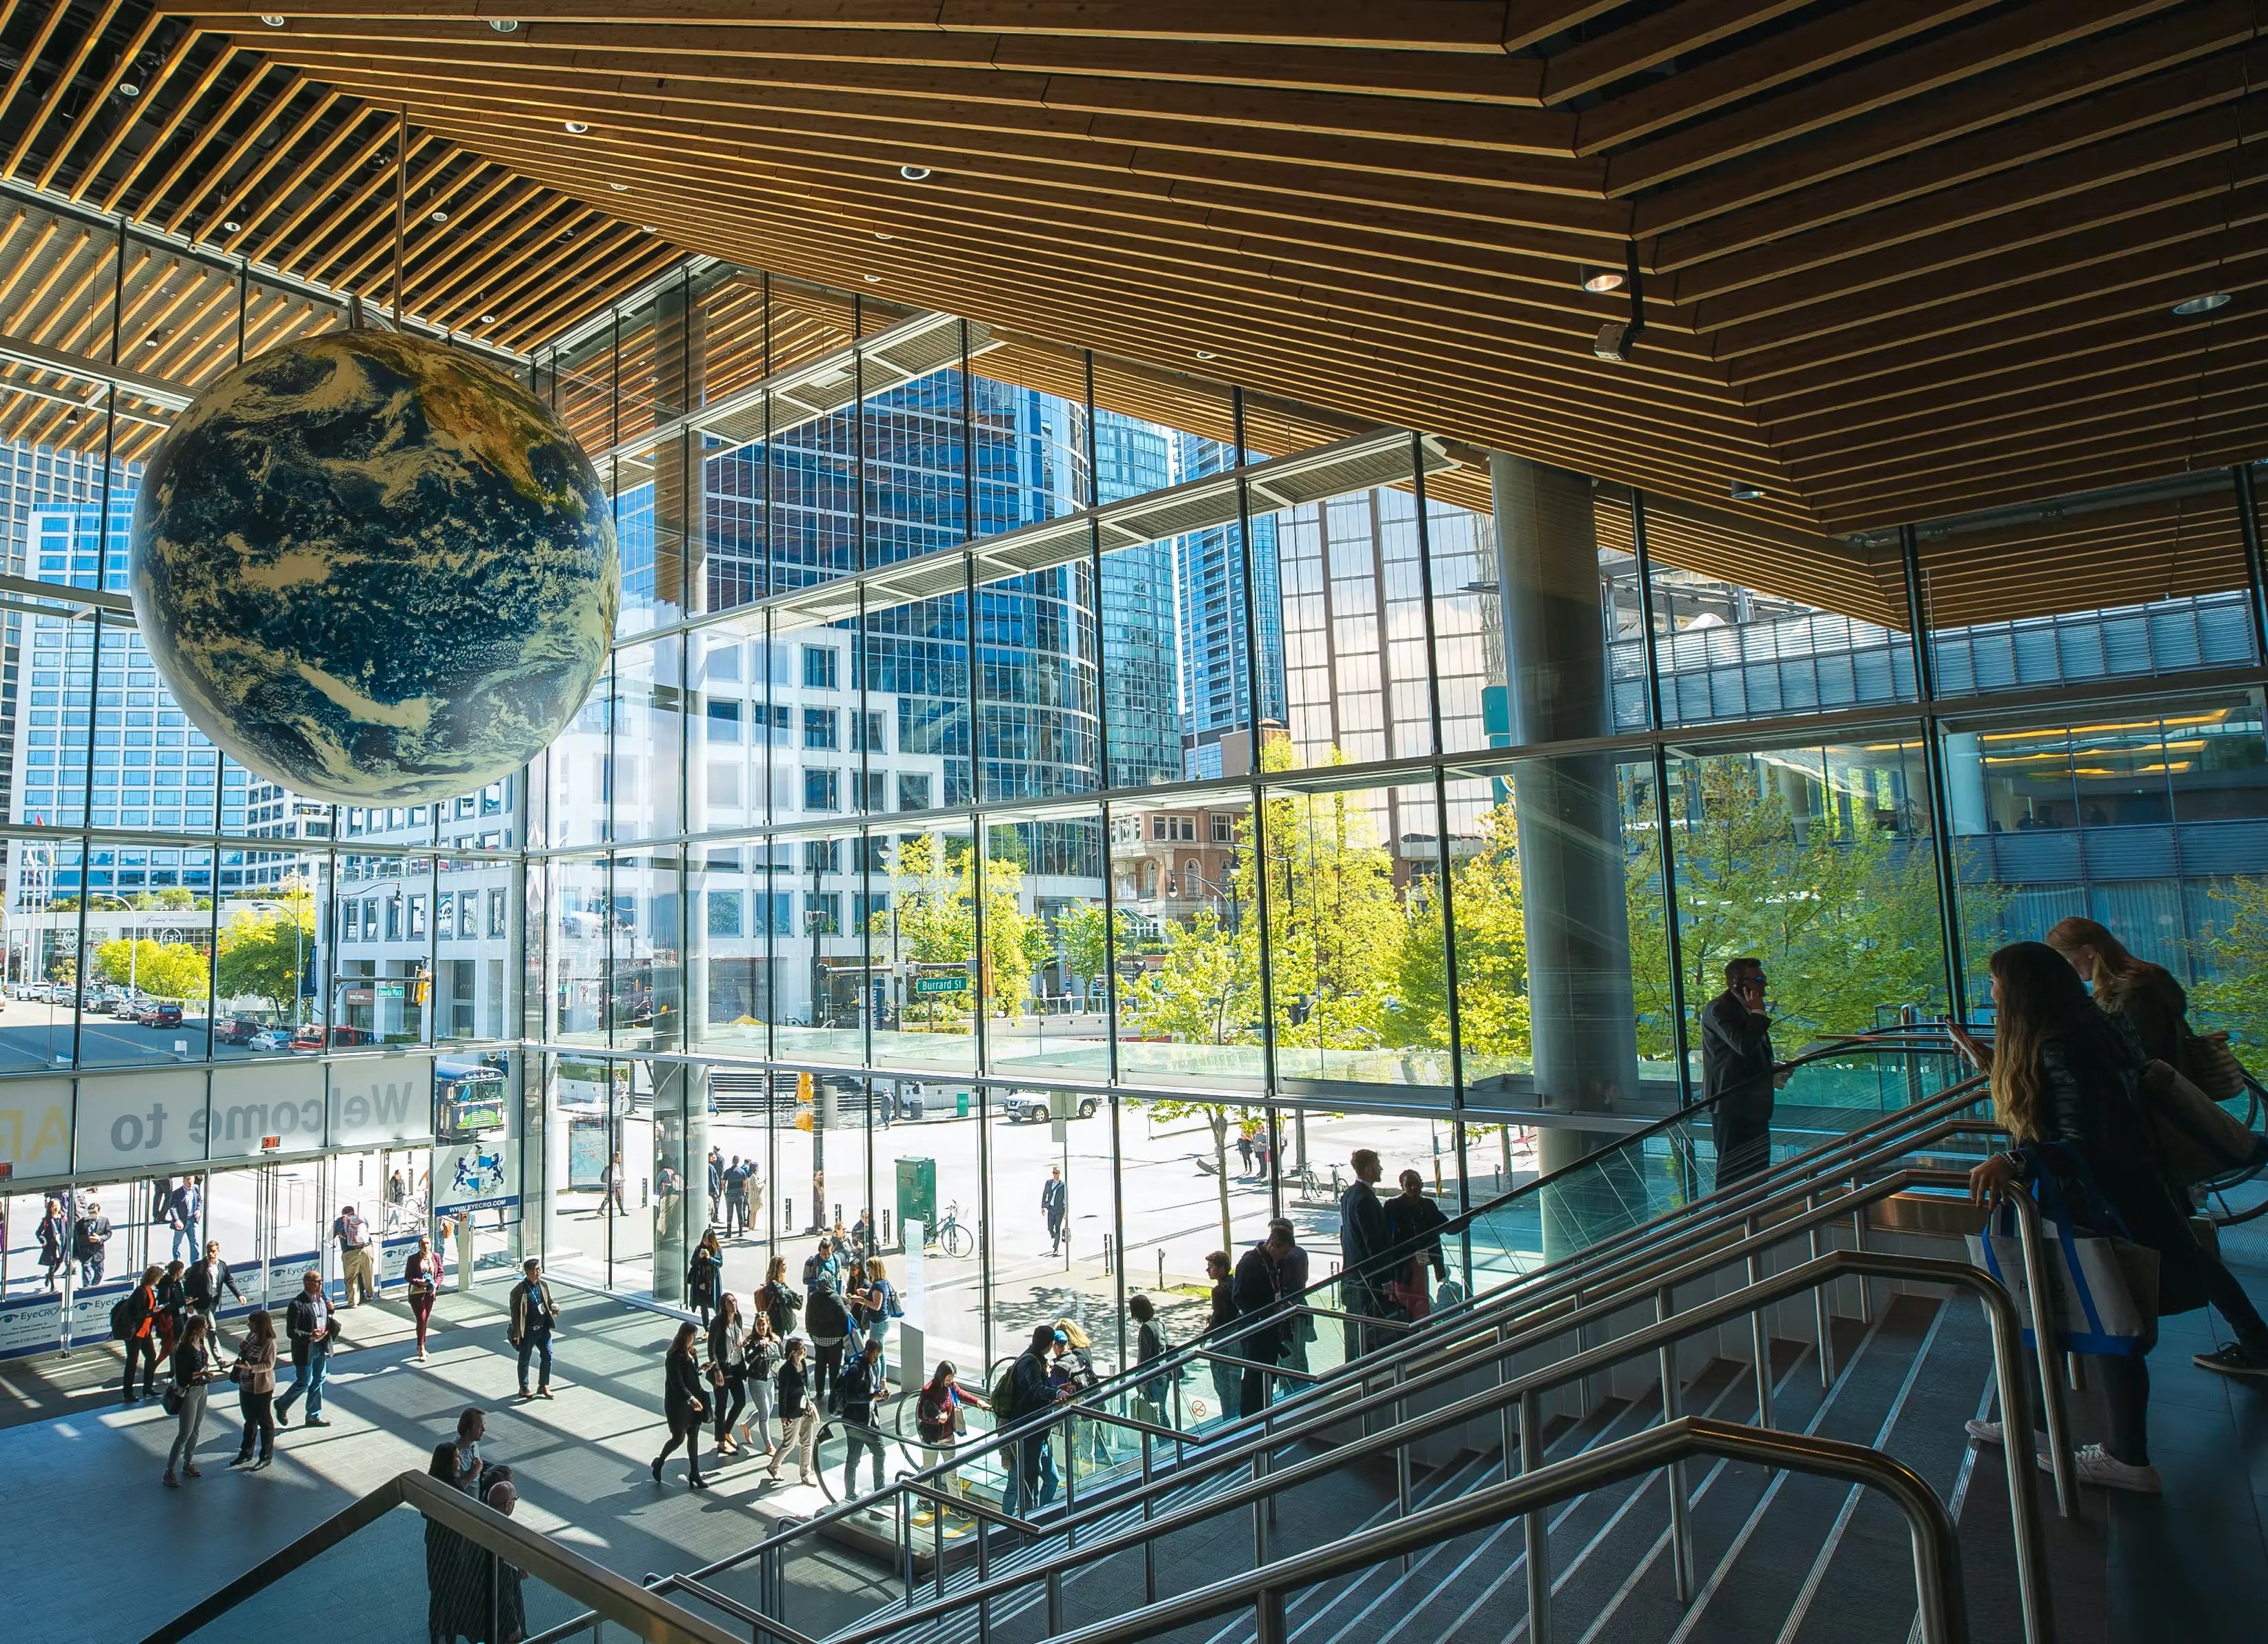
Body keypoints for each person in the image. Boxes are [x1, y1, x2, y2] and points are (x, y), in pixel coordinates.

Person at [1951, 941, 2215, 1494]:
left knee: (2101, 1319)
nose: (1991, 992)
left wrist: (2017, 1158)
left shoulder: (2065, 1045)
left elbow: (2089, 1139)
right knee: (2077, 1315)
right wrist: (1989, 1061)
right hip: (2110, 1199)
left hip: (2091, 1206)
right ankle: (2039, 1425)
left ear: (2021, 988)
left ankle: (2125, 1457)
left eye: (1997, 982)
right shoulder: (2087, 1028)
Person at [2045, 915, 2268, 1382]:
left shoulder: (2129, 998)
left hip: (2145, 1137)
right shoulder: (2146, 986)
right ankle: (2253, 1339)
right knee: (2180, 1240)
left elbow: (2126, 1065)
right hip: (2152, 1133)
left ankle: (2254, 1341)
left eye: (2069, 961)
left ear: (2088, 951)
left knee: (2179, 1242)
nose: (2071, 972)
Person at [1701, 956, 1780, 1186]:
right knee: (1733, 1172)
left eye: (1763, 978)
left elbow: (1746, 1053)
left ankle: (1758, 1217)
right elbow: (1743, 1045)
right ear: (1737, 983)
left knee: (1758, 1171)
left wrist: (1771, 1067)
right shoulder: (1720, 1009)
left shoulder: (1747, 1009)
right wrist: (1757, 1013)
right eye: (1758, 979)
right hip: (1731, 1105)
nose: (1764, 984)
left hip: (1755, 1104)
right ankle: (1730, 1221)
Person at [1232, 1225, 1293, 1418]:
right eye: (1282, 1253)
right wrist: (1269, 1309)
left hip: (1269, 1329)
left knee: (1268, 1377)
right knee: (1254, 1379)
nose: (1283, 1258)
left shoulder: (1273, 1263)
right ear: (1273, 1245)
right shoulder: (1250, 1263)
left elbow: (1275, 1289)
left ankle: (1265, 1416)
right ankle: (1251, 1421)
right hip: (1255, 1331)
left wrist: (1281, 1303)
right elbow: (1239, 1298)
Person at [1002, 1323, 1062, 1515]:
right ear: (1051, 1343)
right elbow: (1037, 1389)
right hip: (1028, 1433)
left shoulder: (1034, 1359)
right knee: (1026, 1483)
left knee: (1051, 1480)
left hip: (1039, 1432)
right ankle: (1026, 1521)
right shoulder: (1030, 1362)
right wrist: (1056, 1392)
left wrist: (1057, 1390)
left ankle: (1039, 1514)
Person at [1337, 1151, 1391, 1357]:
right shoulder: (1365, 1199)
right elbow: (1373, 1242)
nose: (1381, 1169)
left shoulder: (1350, 1194)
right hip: (1368, 1279)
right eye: (1377, 1164)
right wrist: (1385, 1279)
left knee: (1357, 1330)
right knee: (1371, 1331)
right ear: (1368, 1169)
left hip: (1353, 1274)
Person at [1383, 1173, 1449, 1322]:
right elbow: (1385, 1237)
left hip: (1421, 1263)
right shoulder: (1393, 1206)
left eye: (1416, 1184)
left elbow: (1446, 1226)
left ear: (1422, 1184)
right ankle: (1413, 1331)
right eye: (1409, 1185)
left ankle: (1421, 1329)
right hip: (1402, 1264)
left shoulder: (1428, 1205)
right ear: (1402, 1187)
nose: (1413, 1188)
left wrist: (1468, 1217)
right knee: (1406, 1298)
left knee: (1420, 1298)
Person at [653, 1321, 710, 1488]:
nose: (694, 1340)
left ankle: (695, 1472)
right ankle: (660, 1461)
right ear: (684, 1336)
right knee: (678, 1438)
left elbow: (690, 1374)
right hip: (678, 1404)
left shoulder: (692, 1352)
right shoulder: (674, 1356)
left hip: (694, 1401)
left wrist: (700, 1370)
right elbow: (676, 1382)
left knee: (694, 1436)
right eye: (692, 1337)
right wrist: (690, 1398)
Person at [275, 1268, 335, 1427]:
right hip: (306, 1349)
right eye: (318, 1282)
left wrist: (331, 1309)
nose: (321, 1284)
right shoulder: (297, 1304)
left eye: (321, 1281)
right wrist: (310, 1335)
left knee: (319, 1380)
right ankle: (282, 1403)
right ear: (308, 1284)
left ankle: (313, 1415)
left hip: (321, 1346)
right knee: (304, 1382)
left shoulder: (322, 1298)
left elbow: (325, 1318)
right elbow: (291, 1332)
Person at [162, 1312, 215, 1486]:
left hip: (202, 1389)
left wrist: (204, 1374)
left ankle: (187, 1462)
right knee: (185, 1432)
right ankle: (169, 1470)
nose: (206, 1331)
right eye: (204, 1328)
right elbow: (183, 1376)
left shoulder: (199, 1343)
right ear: (197, 1329)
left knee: (196, 1429)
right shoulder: (183, 1348)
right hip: (190, 1392)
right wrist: (202, 1373)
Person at [838, 1337, 888, 1503]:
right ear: (867, 1353)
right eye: (875, 1356)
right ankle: (879, 1492)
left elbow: (871, 1390)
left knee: (853, 1457)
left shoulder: (869, 1368)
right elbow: (851, 1397)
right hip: (858, 1422)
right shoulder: (856, 1369)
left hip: (862, 1420)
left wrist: (879, 1395)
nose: (876, 1359)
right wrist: (872, 1396)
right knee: (878, 1450)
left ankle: (850, 1494)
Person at [228, 1308, 279, 1470]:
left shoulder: (269, 1343)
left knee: (264, 1420)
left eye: (252, 1322)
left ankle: (266, 1456)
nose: (249, 1325)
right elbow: (245, 1354)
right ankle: (246, 1453)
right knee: (249, 1419)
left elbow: (269, 1365)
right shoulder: (251, 1336)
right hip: (246, 1384)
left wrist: (252, 1368)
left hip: (261, 1387)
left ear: (260, 1325)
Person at [1266, 1216, 1315, 1379]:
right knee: (1300, 1357)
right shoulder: (1301, 1253)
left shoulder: (1285, 1258)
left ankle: (1293, 1397)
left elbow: (1283, 1288)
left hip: (1289, 1315)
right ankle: (1304, 1389)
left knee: (1289, 1361)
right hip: (1301, 1309)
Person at [766, 1336, 819, 1485]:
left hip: (806, 1410)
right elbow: (782, 1395)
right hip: (793, 1412)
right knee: (789, 1444)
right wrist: (783, 1415)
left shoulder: (803, 1363)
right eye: (802, 1348)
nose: (805, 1351)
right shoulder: (785, 1371)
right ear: (793, 1352)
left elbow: (806, 1387)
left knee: (807, 1442)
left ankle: (806, 1473)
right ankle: (773, 1466)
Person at [805, 1247, 851, 1417]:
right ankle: (833, 1391)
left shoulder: (814, 1297)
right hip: (834, 1340)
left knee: (819, 1366)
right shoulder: (835, 1299)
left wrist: (811, 1333)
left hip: (818, 1338)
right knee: (833, 1368)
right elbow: (844, 1318)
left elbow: (808, 1317)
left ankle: (818, 1392)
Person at [507, 1257, 558, 1399]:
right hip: (528, 1331)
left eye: (539, 1269)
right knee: (525, 1359)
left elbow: (548, 1301)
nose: (538, 1272)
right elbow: (515, 1314)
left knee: (548, 1355)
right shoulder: (519, 1291)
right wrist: (517, 1333)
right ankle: (524, 1387)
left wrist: (554, 1307)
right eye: (535, 1270)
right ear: (527, 1272)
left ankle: (543, 1386)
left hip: (543, 1329)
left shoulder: (543, 1285)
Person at [707, 1292, 750, 1456]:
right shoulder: (717, 1323)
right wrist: (716, 1369)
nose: (733, 1303)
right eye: (729, 1301)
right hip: (723, 1369)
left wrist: (743, 1343)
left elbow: (737, 1340)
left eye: (734, 1300)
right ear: (724, 1306)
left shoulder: (738, 1319)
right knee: (721, 1405)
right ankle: (721, 1442)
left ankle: (726, 1430)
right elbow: (711, 1349)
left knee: (740, 1401)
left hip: (737, 1367)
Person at [1203, 1250, 1240, 1420]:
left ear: (1222, 1270)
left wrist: (1206, 1333)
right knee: (1234, 1381)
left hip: (1222, 1342)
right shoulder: (1234, 1283)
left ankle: (1228, 1418)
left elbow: (1219, 1319)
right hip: (1236, 1338)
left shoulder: (1218, 1291)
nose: (1208, 1270)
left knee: (1223, 1383)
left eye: (1211, 1267)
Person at [119, 1264, 163, 1405]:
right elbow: (136, 1313)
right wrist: (151, 1312)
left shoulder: (150, 1291)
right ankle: (128, 1392)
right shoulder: (140, 1292)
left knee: (151, 1356)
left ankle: (148, 1387)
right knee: (132, 1361)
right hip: (135, 1332)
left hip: (145, 1331)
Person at [850, 1256, 898, 1385]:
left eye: (869, 1268)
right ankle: (882, 1380)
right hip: (884, 1320)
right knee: (880, 1351)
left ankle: (879, 1381)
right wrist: (866, 1292)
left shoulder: (877, 1285)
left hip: (878, 1322)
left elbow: (876, 1305)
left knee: (876, 1353)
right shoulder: (883, 1282)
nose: (868, 1271)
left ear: (874, 1269)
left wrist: (862, 1300)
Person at [738, 1313, 782, 1453]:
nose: (761, 1327)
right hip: (756, 1380)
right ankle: (768, 1445)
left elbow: (781, 1356)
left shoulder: (773, 1339)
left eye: (763, 1324)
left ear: (768, 1324)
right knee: (764, 1415)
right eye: (758, 1324)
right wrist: (759, 1348)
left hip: (770, 1379)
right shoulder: (752, 1341)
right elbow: (749, 1359)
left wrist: (778, 1343)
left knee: (767, 1411)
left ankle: (746, 1426)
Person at [1129, 1294, 1173, 1425]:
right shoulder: (1159, 1322)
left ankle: (1165, 1443)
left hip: (1153, 1378)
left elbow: (1144, 1358)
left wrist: (1141, 1380)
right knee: (1161, 1410)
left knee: (1156, 1413)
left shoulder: (1146, 1328)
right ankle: (1169, 1441)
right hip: (1164, 1374)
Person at [183, 1239, 246, 1333]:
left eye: (213, 1252)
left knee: (205, 1327)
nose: (211, 1254)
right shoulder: (198, 1266)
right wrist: (190, 1304)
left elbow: (229, 1280)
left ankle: (199, 1344)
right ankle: (215, 1348)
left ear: (218, 1251)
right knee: (212, 1328)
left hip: (214, 1301)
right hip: (202, 1303)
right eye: (209, 1252)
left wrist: (239, 1295)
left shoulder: (222, 1265)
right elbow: (189, 1284)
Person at [405, 1234, 440, 1361]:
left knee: (425, 1321)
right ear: (419, 1246)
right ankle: (421, 1347)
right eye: (423, 1244)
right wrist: (421, 1282)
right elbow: (408, 1277)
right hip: (417, 1293)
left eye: (428, 1244)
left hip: (430, 1293)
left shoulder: (435, 1257)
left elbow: (440, 1273)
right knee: (421, 1318)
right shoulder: (413, 1259)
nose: (426, 1246)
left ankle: (422, 1342)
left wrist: (436, 1284)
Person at [335, 1203, 377, 1307]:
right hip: (367, 1249)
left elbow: (330, 1235)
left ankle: (353, 1302)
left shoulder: (339, 1221)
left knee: (351, 1278)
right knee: (368, 1273)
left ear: (343, 1214)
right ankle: (370, 1295)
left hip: (350, 1252)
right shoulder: (362, 1218)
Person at [758, 1254, 802, 1339]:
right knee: (776, 1339)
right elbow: (783, 1299)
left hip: (780, 1316)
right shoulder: (773, 1284)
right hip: (775, 1318)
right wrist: (789, 1295)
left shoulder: (780, 1281)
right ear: (777, 1267)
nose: (786, 1267)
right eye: (783, 1265)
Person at [154, 1259, 189, 1363]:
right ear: (178, 1271)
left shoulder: (177, 1282)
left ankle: (174, 1368)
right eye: (182, 1270)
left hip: (179, 1317)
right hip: (172, 1319)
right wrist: (182, 1302)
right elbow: (165, 1305)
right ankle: (167, 1367)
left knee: (175, 1344)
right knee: (171, 1346)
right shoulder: (166, 1285)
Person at [687, 1229, 724, 1327]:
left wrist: (710, 1258)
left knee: (717, 1304)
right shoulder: (699, 1248)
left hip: (713, 1282)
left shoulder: (717, 1250)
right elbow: (692, 1262)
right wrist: (699, 1257)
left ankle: (718, 1326)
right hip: (701, 1281)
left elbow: (720, 1263)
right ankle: (706, 1328)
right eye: (704, 1240)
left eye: (708, 1241)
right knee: (703, 1305)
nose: (706, 1243)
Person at [74, 1196, 111, 1286]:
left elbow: (108, 1233)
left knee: (99, 1273)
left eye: (94, 1212)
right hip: (86, 1252)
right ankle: (87, 1288)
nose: (92, 1215)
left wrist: (99, 1238)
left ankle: (94, 1287)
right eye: (90, 1213)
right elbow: (77, 1238)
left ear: (98, 1211)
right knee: (87, 1271)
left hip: (98, 1252)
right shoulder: (81, 1223)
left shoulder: (104, 1221)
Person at [164, 1176, 200, 1263]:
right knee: (177, 1243)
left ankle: (195, 1263)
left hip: (192, 1220)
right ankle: (177, 1263)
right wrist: (177, 1220)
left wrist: (199, 1210)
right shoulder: (177, 1193)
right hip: (182, 1222)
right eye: (188, 1182)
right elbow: (172, 1207)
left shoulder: (196, 1188)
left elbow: (200, 1201)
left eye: (192, 1182)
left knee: (194, 1242)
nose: (190, 1184)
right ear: (183, 1181)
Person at [36, 1196, 65, 1290]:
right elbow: (39, 1233)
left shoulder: (63, 1218)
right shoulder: (47, 1220)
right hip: (51, 1246)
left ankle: (48, 1276)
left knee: (59, 1264)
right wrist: (43, 1241)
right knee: (52, 1266)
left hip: (61, 1246)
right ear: (50, 1208)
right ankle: (53, 1286)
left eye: (57, 1206)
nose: (55, 1208)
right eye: (53, 1206)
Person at [1041, 1165, 1068, 1256]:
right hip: (1051, 1209)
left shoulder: (1063, 1185)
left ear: (1059, 1174)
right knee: (1050, 1228)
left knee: (1057, 1229)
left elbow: (1066, 1199)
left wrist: (1066, 1212)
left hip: (1059, 1210)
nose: (1055, 1175)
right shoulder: (1048, 1183)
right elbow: (1045, 1194)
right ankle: (1054, 1236)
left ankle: (1056, 1248)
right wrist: (1043, 1206)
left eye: (1056, 1173)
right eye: (1054, 1173)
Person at [707, 1146, 725, 1227]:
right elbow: (712, 1180)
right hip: (713, 1189)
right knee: (714, 1204)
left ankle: (713, 1218)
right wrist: (716, 1189)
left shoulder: (711, 1166)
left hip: (713, 1188)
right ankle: (714, 1218)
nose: (715, 1159)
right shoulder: (710, 1167)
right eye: (714, 1158)